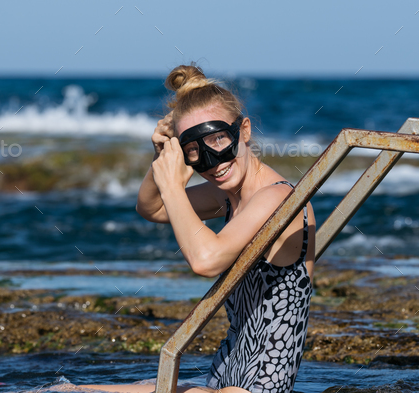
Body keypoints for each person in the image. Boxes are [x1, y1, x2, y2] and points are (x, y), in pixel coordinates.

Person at [79, 63, 317, 393]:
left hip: (260, 388)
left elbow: (207, 261)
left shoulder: (278, 197)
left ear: (243, 131)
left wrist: (174, 186)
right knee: (67, 391)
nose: (214, 162)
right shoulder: (229, 195)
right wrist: (160, 160)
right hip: (224, 377)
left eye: (219, 139)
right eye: (195, 151)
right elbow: (151, 207)